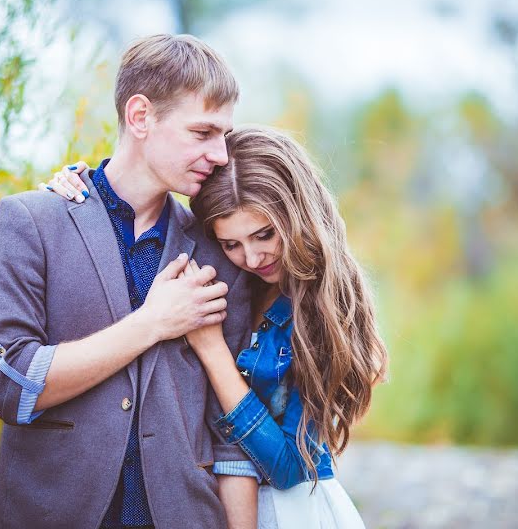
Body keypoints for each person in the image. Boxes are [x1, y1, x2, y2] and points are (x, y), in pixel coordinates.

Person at [0, 34, 261, 529]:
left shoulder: (223, 251)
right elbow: (11, 385)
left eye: (224, 134)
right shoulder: (30, 221)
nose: (220, 154)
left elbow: (229, 433)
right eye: (202, 132)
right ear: (140, 117)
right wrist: (153, 323)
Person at [50, 124, 388, 527]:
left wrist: (212, 351)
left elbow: (287, 466)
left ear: (296, 214)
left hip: (294, 511)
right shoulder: (231, 278)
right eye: (231, 244)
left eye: (264, 235)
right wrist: (85, 188)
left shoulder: (324, 311)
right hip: (208, 506)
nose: (252, 256)